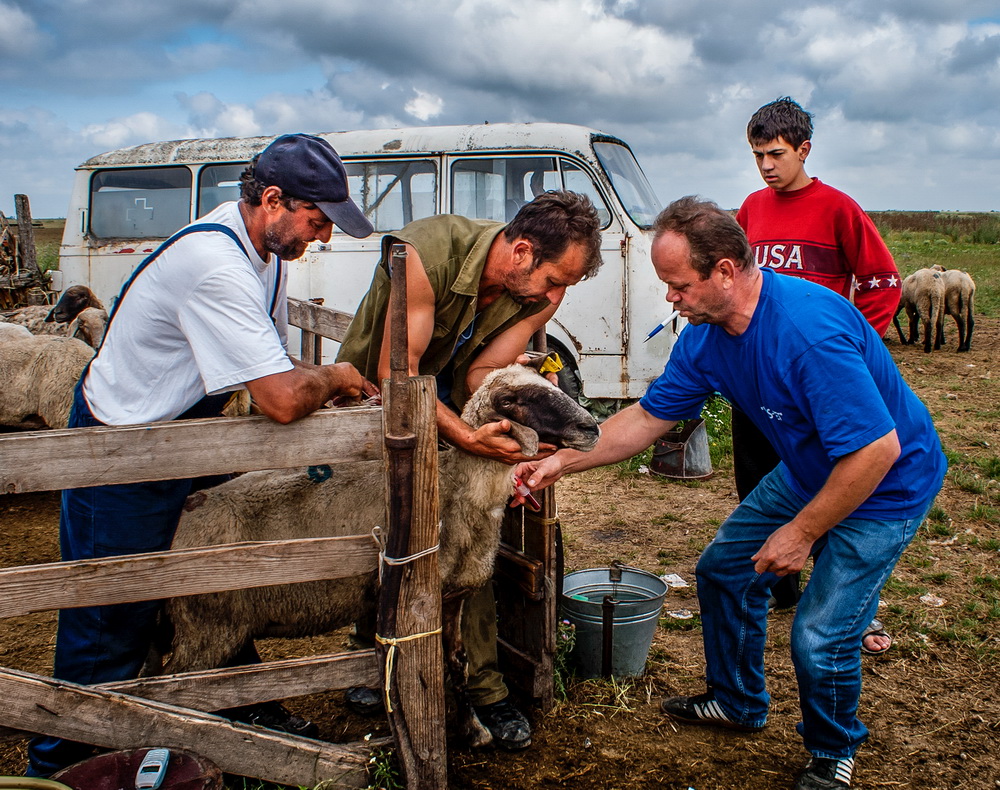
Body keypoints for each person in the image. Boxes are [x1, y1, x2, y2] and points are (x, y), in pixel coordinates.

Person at [516, 197, 945, 789]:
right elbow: (646, 418)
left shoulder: (806, 332)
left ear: (724, 270)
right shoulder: (705, 338)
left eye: (679, 285)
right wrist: (564, 459)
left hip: (886, 483)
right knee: (724, 570)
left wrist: (801, 533)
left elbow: (875, 452)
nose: (671, 298)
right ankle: (737, 701)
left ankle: (832, 751)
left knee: (821, 632)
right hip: (810, 468)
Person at [27, 133, 379, 777]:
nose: (323, 237)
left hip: (185, 432)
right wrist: (338, 377)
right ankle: (61, 765)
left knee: (216, 569)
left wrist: (324, 386)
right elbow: (276, 396)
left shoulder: (263, 256)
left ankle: (231, 701)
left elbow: (272, 363)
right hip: (123, 449)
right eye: (318, 220)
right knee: (110, 610)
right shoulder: (215, 264)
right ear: (273, 200)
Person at [336, 190, 603, 750]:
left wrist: (522, 395)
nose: (556, 297)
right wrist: (465, 435)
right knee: (379, 541)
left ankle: (483, 687)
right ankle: (377, 662)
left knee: (464, 543)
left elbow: (482, 371)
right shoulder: (427, 254)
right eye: (554, 281)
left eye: (565, 288)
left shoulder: (537, 297)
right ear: (523, 251)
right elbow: (398, 375)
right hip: (373, 410)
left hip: (453, 412)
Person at [735, 97, 901, 654]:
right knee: (756, 477)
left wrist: (853, 351)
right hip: (759, 377)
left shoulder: (838, 209)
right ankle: (775, 586)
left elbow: (882, 282)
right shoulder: (751, 209)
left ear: (804, 149)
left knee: (836, 485)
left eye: (775, 154)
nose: (765, 166)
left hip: (816, 381)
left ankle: (849, 603)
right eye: (757, 155)